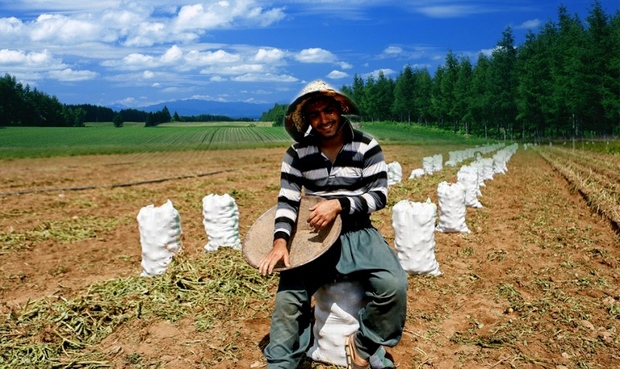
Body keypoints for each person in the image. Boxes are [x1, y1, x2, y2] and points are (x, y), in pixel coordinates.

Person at [258, 80, 408, 369]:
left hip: (357, 231)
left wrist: (338, 204)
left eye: (329, 110)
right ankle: (280, 363)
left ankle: (364, 345)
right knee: (289, 300)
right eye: (315, 115)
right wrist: (280, 243)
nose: (323, 119)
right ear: (308, 120)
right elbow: (288, 201)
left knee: (393, 285)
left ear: (340, 109)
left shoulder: (366, 145)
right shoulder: (296, 154)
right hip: (313, 236)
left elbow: (379, 196)